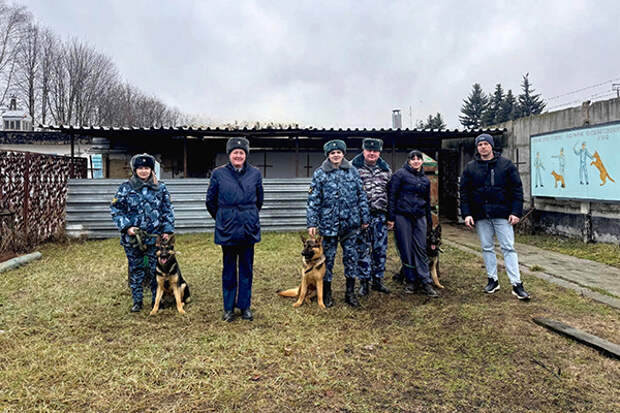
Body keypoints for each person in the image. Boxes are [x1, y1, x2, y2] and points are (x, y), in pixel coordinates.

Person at [459, 133, 530, 300]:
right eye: (479, 145)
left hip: (503, 215)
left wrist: (515, 211)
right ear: (477, 148)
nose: (483, 147)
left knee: (508, 248)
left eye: (485, 144)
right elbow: (465, 193)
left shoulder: (506, 165)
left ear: (491, 146)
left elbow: (517, 189)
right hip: (481, 215)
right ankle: (493, 280)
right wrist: (467, 213)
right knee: (487, 247)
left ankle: (516, 284)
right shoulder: (470, 167)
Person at [206, 137, 264, 322]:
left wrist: (249, 215)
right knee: (229, 270)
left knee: (246, 269)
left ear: (246, 155)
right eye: (235, 153)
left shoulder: (255, 173)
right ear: (229, 155)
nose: (238, 156)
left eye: (241, 153)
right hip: (228, 229)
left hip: (248, 228)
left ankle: (245, 306)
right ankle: (228, 308)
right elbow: (210, 201)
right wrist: (223, 217)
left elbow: (259, 200)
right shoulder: (218, 174)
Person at [307, 139, 370, 308]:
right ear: (328, 155)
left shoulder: (353, 172)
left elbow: (361, 196)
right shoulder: (320, 174)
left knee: (351, 258)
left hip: (350, 224)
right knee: (328, 259)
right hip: (329, 225)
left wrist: (365, 218)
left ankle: (350, 293)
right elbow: (314, 200)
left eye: (339, 153)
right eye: (333, 153)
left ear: (343, 154)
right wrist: (312, 222)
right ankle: (327, 293)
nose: (336, 155)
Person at [110, 153, 175, 312]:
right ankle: (137, 301)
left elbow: (167, 210)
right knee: (136, 270)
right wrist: (127, 227)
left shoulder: (160, 187)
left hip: (155, 238)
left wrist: (167, 230)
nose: (144, 171)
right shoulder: (125, 188)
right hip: (133, 238)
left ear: (151, 170)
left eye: (147, 168)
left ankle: (156, 301)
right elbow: (116, 209)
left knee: (155, 270)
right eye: (140, 168)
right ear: (135, 170)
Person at [387, 150, 439, 298]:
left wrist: (429, 221)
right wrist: (391, 217)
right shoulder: (400, 175)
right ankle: (410, 280)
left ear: (422, 161)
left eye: (418, 159)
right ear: (408, 161)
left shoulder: (425, 180)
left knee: (421, 247)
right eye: (413, 159)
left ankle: (425, 280)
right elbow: (392, 196)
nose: (416, 161)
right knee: (406, 248)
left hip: (420, 216)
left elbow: (428, 201)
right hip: (402, 215)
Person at [352, 138, 392, 296]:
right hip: (362, 218)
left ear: (379, 152)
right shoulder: (353, 168)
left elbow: (391, 193)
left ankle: (378, 280)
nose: (372, 153)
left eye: (375, 151)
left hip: (380, 216)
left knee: (380, 249)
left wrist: (390, 216)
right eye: (369, 150)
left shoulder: (386, 170)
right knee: (362, 249)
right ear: (363, 150)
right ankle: (364, 282)